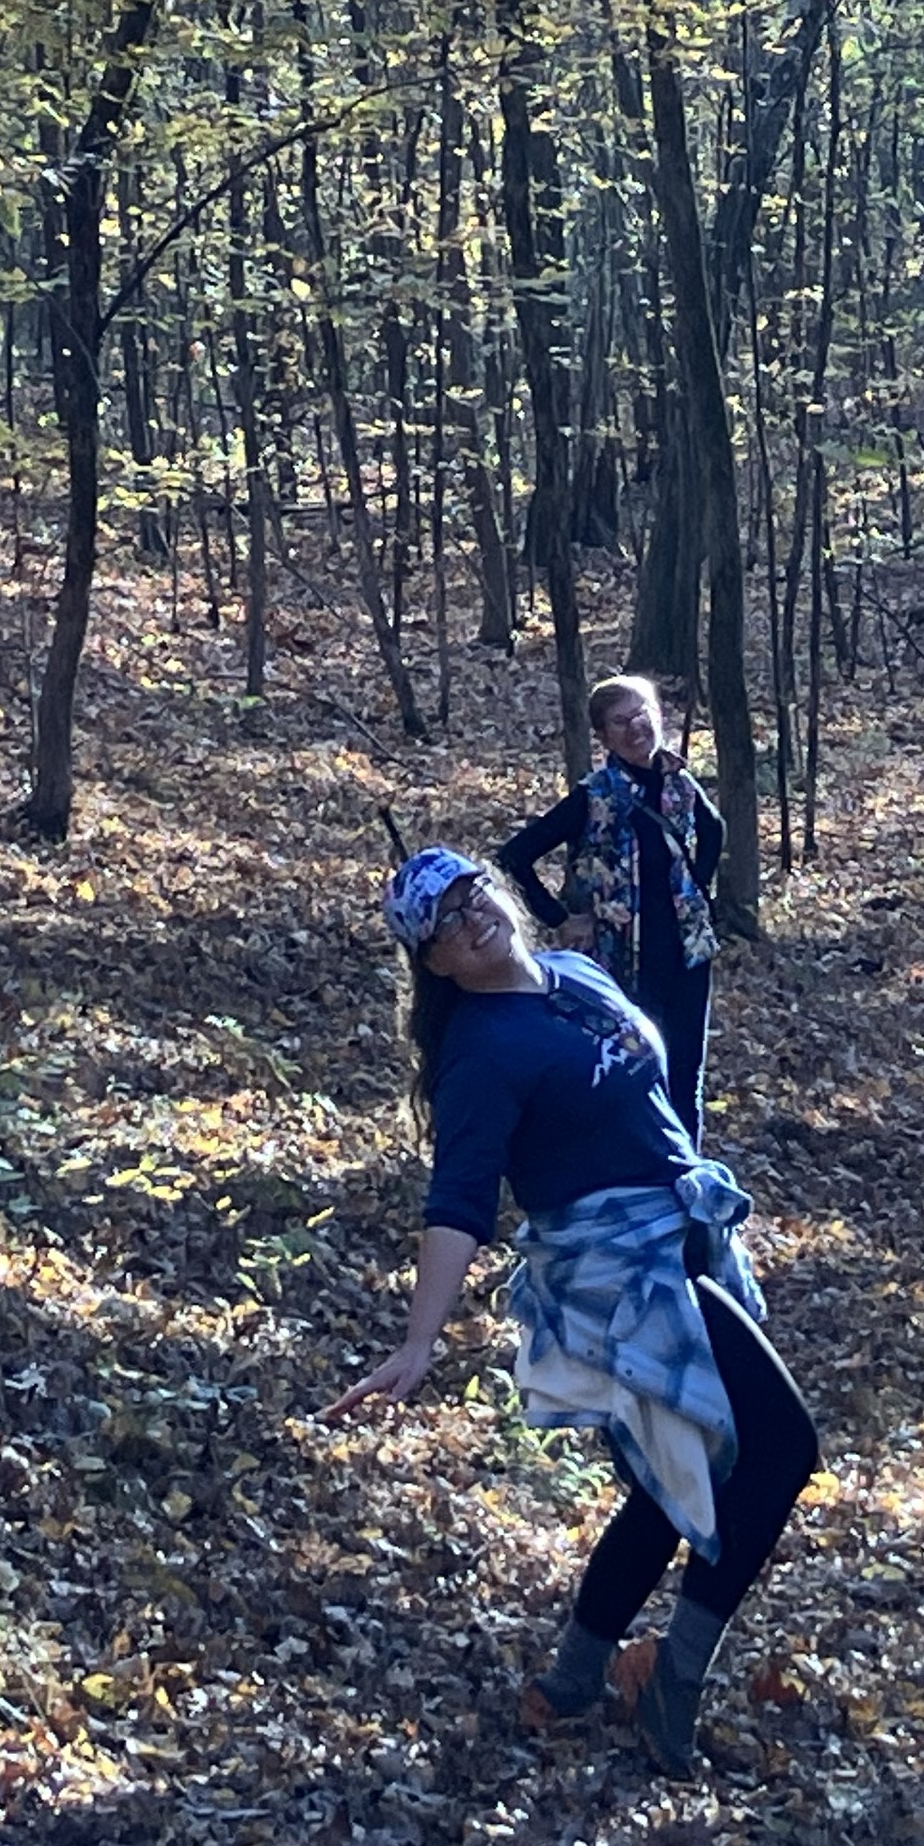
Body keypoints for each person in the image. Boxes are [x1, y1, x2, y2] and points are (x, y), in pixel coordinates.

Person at [328, 847, 815, 1778]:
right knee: (779, 1450)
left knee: (675, 1480)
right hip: (617, 1275)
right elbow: (458, 1200)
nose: (472, 917)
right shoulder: (480, 1054)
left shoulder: (573, 974)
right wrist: (420, 1340)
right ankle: (673, 1680)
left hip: (682, 1239)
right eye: (446, 922)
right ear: (435, 963)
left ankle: (574, 1677)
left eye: (472, 892)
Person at [494, 673, 722, 1141]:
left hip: (689, 954)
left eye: (644, 714)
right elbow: (513, 858)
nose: (636, 727)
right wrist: (560, 918)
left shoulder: (680, 783)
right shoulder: (594, 796)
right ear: (603, 736)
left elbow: (713, 829)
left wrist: (696, 890)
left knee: (686, 1075)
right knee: (632, 1074)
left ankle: (688, 1172)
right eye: (621, 721)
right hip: (621, 960)